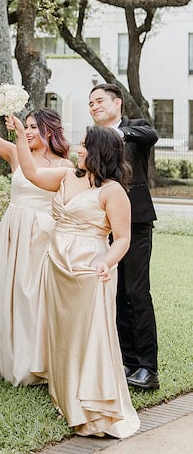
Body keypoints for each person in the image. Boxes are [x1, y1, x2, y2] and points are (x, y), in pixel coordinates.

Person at [11, 116, 140, 439]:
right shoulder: (68, 176)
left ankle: (94, 405)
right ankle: (66, 395)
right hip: (56, 267)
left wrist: (106, 263)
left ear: (99, 152)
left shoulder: (114, 192)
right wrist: (17, 135)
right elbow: (31, 173)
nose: (79, 149)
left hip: (89, 270)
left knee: (90, 336)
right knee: (62, 335)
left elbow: (122, 239)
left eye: (84, 145)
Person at [0, 86, 72, 386]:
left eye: (34, 127)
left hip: (44, 235)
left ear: (50, 130)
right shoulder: (16, 154)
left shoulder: (66, 166)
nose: (29, 131)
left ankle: (37, 360)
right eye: (27, 126)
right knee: (9, 291)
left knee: (36, 296)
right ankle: (6, 355)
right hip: (13, 231)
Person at [89, 83, 159, 390]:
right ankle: (127, 362)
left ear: (118, 104)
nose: (94, 106)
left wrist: (120, 134)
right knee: (115, 294)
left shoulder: (136, 128)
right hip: (104, 224)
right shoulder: (93, 138)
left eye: (100, 101)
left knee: (137, 292)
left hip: (137, 222)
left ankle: (148, 367)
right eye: (90, 103)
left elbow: (151, 136)